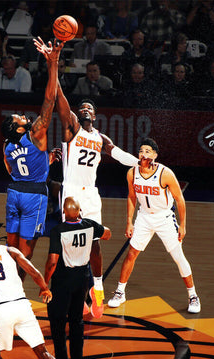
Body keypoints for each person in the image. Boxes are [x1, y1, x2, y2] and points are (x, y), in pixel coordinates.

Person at [55, 76, 139, 313]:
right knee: (71, 245)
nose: (85, 110)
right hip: (71, 191)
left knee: (94, 244)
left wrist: (139, 163)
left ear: (95, 114)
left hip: (91, 194)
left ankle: (98, 288)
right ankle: (75, 293)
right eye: (81, 108)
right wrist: (54, 66)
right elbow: (60, 100)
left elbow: (118, 153)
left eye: (89, 108)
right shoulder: (72, 128)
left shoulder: (100, 138)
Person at [107, 138, 201, 314]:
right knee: (131, 254)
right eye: (141, 151)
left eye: (148, 151)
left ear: (155, 155)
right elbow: (131, 197)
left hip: (164, 218)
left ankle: (193, 295)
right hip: (143, 217)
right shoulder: (132, 173)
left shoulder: (165, 173)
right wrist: (129, 220)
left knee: (178, 257)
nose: (144, 154)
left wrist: (183, 225)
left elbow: (180, 199)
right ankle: (120, 292)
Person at [1, 38, 62, 281]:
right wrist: (53, 63)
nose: (22, 115)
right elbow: (50, 100)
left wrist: (41, 163)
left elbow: (11, 168)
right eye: (18, 118)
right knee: (25, 253)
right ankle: (16, 292)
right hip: (34, 195)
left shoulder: (6, 145)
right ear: (18, 129)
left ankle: (2, 290)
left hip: (14, 192)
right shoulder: (36, 133)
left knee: (11, 248)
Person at [0, 223, 67, 359]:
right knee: (42, 351)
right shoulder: (10, 251)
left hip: (1, 309)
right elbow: (33, 272)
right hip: (22, 306)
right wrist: (45, 288)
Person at [45, 197, 111, 359]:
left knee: (58, 326)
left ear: (64, 212)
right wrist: (98, 233)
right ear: (80, 211)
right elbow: (107, 233)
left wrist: (44, 283)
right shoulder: (89, 225)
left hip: (63, 281)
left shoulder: (58, 230)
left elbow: (52, 262)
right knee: (77, 323)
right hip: (82, 279)